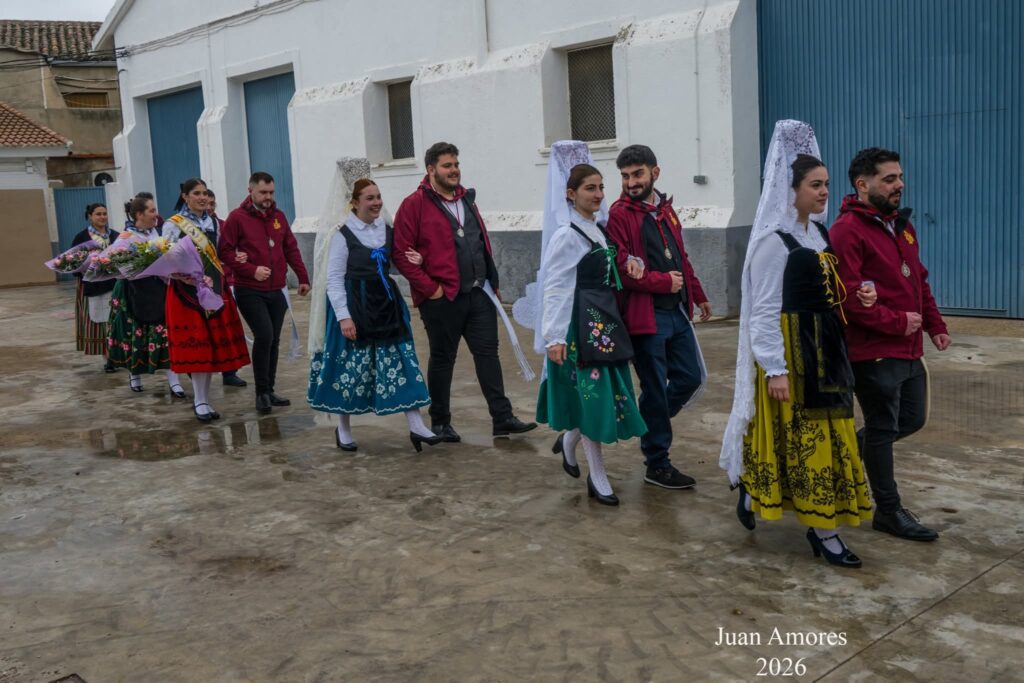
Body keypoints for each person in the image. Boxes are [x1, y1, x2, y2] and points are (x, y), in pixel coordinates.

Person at [720, 120, 876, 568]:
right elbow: (764, 312)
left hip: (825, 352)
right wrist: (775, 368)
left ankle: (756, 496)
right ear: (789, 190)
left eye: (826, 184)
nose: (824, 192)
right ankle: (824, 532)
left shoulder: (818, 234)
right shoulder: (774, 243)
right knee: (806, 444)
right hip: (793, 355)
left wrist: (858, 293)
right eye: (815, 185)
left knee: (831, 439)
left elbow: (827, 288)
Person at [830, 147, 951, 542]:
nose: (899, 185)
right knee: (883, 426)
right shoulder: (847, 231)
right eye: (889, 179)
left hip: (909, 348)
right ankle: (888, 510)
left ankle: (859, 448)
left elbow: (918, 279)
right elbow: (847, 299)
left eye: (899, 177)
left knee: (911, 419)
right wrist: (898, 323)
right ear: (863, 185)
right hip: (874, 352)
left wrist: (934, 324)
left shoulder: (899, 225)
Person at [393, 141, 536, 442]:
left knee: (488, 355)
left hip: (478, 293)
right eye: (447, 166)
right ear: (431, 170)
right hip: (442, 298)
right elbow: (401, 253)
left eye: (456, 164)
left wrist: (492, 284)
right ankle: (441, 422)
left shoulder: (466, 200)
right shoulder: (413, 205)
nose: (454, 170)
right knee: (443, 358)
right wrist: (430, 289)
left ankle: (502, 418)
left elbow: (479, 241)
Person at [535, 161, 647, 505]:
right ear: (571, 194)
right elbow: (555, 287)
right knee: (592, 399)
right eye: (590, 188)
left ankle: (570, 442)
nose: (598, 194)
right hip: (579, 328)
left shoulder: (598, 228)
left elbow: (608, 264)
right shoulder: (567, 235)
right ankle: (597, 475)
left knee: (599, 397)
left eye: (600, 187)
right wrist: (553, 337)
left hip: (603, 323)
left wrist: (632, 263)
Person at [307, 178, 441, 452]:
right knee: (349, 367)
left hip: (385, 303)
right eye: (370, 198)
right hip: (354, 304)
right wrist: (344, 317)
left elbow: (395, 263)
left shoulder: (387, 229)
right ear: (354, 203)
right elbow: (333, 279)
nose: (377, 202)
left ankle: (416, 425)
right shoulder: (342, 235)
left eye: (378, 196)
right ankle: (343, 429)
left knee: (402, 361)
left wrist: (418, 260)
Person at [605, 145, 710, 490]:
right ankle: (657, 463)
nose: (631, 182)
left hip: (676, 311)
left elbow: (680, 257)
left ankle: (651, 420)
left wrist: (696, 292)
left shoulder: (666, 210)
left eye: (637, 174)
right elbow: (622, 266)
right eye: (625, 176)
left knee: (690, 377)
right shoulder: (619, 214)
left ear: (655, 173)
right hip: (645, 317)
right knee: (653, 387)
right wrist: (663, 282)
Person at [218, 172, 311, 414]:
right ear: (251, 190)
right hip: (250, 290)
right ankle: (260, 393)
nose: (268, 197)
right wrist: (250, 269)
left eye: (271, 192)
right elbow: (225, 252)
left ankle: (269, 389)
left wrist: (302, 277)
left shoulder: (278, 217)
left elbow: (290, 248)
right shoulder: (236, 218)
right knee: (264, 336)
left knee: (274, 340)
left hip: (277, 289)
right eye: (263, 192)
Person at [163, 178, 251, 421]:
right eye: (196, 193)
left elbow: (221, 253)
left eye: (204, 193)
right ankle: (199, 400)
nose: (202, 197)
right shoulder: (174, 224)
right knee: (197, 347)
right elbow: (165, 259)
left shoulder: (213, 222)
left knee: (210, 347)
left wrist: (236, 257)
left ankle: (203, 399)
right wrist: (185, 276)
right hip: (186, 293)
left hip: (213, 290)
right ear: (185, 196)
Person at [106, 195, 181, 395]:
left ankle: (174, 379)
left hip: (158, 289)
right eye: (151, 210)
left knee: (164, 334)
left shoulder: (156, 233)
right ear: (139, 214)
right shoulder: (125, 237)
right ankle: (134, 374)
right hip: (134, 291)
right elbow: (116, 262)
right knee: (134, 333)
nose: (156, 214)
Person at [206, 189, 248, 389]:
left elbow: (232, 250)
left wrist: (237, 258)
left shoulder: (222, 225)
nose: (209, 207)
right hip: (200, 284)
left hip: (224, 280)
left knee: (228, 328)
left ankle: (230, 372)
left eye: (212, 203)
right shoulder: (186, 226)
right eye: (206, 202)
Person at [71, 203, 116, 370]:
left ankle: (117, 356)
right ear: (90, 216)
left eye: (104, 213)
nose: (102, 217)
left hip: (114, 283)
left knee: (115, 321)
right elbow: (72, 262)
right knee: (100, 323)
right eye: (98, 214)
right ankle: (108, 359)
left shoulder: (116, 236)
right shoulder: (82, 237)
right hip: (92, 285)